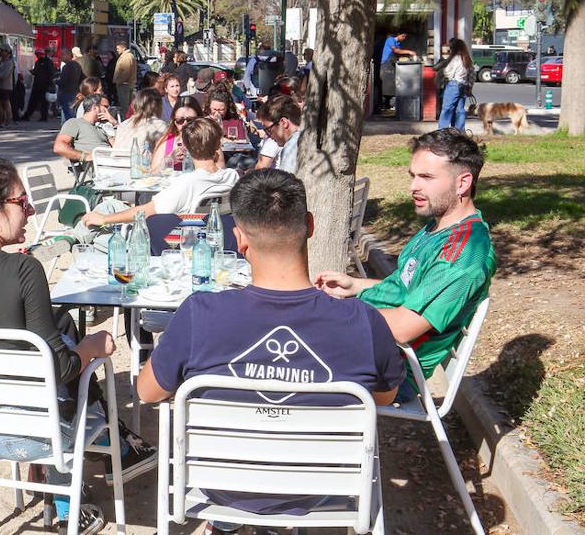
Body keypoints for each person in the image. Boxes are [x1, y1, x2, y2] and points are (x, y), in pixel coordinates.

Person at [137, 170, 404, 530]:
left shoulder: (199, 314)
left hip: (223, 486)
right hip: (321, 488)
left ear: (239, 239)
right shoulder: (364, 321)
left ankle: (229, 523)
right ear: (309, 225)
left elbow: (147, 391)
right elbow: (384, 399)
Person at [0, 156, 154, 534]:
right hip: (32, 434)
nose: (31, 210)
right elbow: (61, 368)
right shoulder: (22, 270)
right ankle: (102, 459)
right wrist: (95, 346)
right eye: (22, 202)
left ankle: (99, 465)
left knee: (60, 326)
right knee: (79, 349)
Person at [315, 129, 495, 402]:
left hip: (392, 371)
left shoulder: (464, 254)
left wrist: (334, 314)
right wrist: (356, 286)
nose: (413, 187)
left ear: (463, 183)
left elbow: (402, 328)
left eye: (426, 177)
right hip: (369, 350)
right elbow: (407, 287)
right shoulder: (437, 229)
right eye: (413, 176)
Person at [82, 118, 237, 228]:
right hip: (213, 235)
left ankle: (72, 238)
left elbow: (145, 211)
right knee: (111, 207)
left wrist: (104, 219)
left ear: (187, 148)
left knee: (106, 211)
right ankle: (72, 236)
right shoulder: (232, 177)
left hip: (181, 240)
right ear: (218, 145)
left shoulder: (187, 183)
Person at [53, 94, 115, 166]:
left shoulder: (103, 126)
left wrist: (114, 123)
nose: (108, 111)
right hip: (99, 167)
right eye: (105, 107)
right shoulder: (74, 123)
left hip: (114, 163)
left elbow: (119, 147)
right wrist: (84, 156)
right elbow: (59, 147)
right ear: (95, 108)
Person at [254, 94, 303, 174]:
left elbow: (288, 183)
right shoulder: (302, 138)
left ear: (284, 123)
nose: (269, 136)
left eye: (269, 129)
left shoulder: (291, 146)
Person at [151, 98, 203, 173]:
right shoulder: (167, 143)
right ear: (174, 121)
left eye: (190, 120)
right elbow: (152, 173)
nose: (185, 124)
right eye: (180, 120)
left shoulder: (206, 142)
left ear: (200, 120)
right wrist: (169, 160)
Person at [114, 88, 168, 156]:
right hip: (140, 165)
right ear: (158, 106)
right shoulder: (159, 125)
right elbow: (164, 154)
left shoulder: (123, 125)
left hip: (115, 164)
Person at [437, 38, 473, 131]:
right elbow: (472, 74)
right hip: (464, 85)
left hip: (453, 84)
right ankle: (459, 131)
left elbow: (448, 72)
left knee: (446, 109)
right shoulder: (466, 58)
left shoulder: (455, 59)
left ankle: (442, 131)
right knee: (460, 110)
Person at [20, 49, 55, 121]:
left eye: (38, 54)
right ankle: (28, 116)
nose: (38, 56)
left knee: (42, 102)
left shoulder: (47, 62)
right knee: (35, 101)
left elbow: (50, 74)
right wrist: (33, 72)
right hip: (38, 85)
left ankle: (43, 117)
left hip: (44, 85)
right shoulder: (39, 62)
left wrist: (50, 84)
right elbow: (38, 72)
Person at [56, 48, 83, 123]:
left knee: (68, 115)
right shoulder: (77, 65)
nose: (61, 56)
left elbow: (63, 81)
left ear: (69, 55)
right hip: (75, 92)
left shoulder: (67, 66)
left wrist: (56, 81)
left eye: (62, 54)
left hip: (67, 93)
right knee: (72, 114)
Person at [0, 47, 16, 128]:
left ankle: (7, 121)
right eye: (1, 51)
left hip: (6, 86)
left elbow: (4, 75)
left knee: (5, 104)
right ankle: (0, 121)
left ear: (8, 52)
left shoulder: (9, 62)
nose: (1, 52)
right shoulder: (0, 61)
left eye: (3, 51)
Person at [112, 41, 138, 112]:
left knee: (125, 105)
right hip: (125, 84)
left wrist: (119, 81)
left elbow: (126, 72)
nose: (117, 50)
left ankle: (125, 119)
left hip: (124, 84)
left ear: (123, 48)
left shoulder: (126, 57)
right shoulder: (127, 56)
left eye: (118, 48)